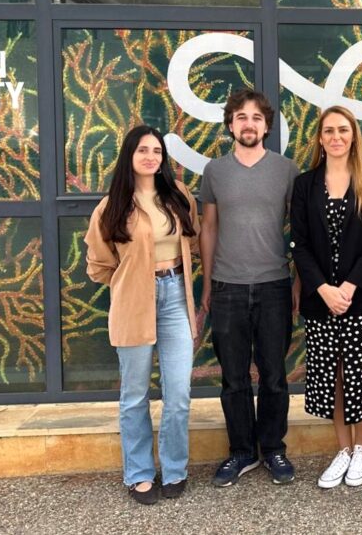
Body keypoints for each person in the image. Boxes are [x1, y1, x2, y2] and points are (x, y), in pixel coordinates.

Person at [84, 125, 199, 505]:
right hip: (134, 301)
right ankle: (138, 474)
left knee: (178, 393)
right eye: (143, 150)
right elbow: (98, 265)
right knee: (135, 394)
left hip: (176, 296)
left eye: (157, 151)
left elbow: (193, 241)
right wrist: (131, 280)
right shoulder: (112, 206)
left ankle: (175, 469)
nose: (151, 157)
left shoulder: (178, 196)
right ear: (129, 156)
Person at [198, 88, 301, 486]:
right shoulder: (215, 172)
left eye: (256, 117)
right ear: (230, 124)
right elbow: (208, 228)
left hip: (274, 285)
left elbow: (301, 230)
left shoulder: (286, 170)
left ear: (267, 126)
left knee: (274, 374)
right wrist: (208, 284)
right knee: (234, 377)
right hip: (228, 287)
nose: (249, 123)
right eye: (241, 116)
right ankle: (242, 452)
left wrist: (298, 279)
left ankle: (273, 449)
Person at [290, 106, 362, 489]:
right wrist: (323, 289)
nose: (336, 137)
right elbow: (299, 244)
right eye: (329, 131)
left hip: (360, 298)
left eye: (343, 130)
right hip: (320, 300)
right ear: (320, 138)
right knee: (331, 374)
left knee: (358, 373)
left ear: (353, 136)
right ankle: (343, 449)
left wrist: (348, 288)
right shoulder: (305, 184)